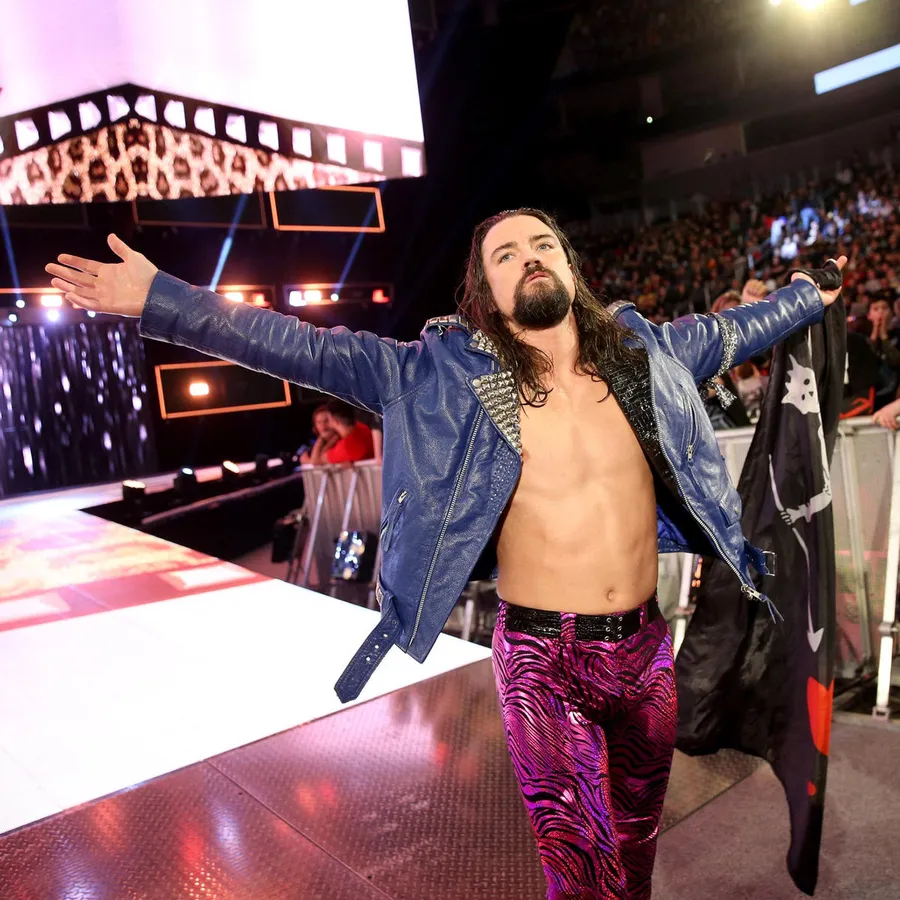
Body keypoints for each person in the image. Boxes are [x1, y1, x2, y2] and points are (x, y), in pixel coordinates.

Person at [47, 214, 843, 900]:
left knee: (634, 849)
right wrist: (162, 298)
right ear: (485, 291)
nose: (529, 257)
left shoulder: (649, 358)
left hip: (645, 650)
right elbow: (295, 346)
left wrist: (811, 294)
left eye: (542, 244)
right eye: (506, 254)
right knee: (581, 872)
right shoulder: (442, 378)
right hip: (543, 662)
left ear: (570, 266)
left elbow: (740, 329)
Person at [324, 399, 375, 464]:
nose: (327, 423)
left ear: (335, 420)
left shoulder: (346, 447)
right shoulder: (363, 427)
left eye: (328, 419)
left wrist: (321, 439)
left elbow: (318, 460)